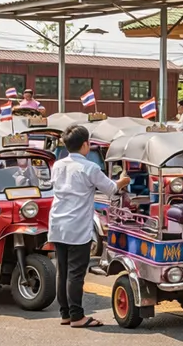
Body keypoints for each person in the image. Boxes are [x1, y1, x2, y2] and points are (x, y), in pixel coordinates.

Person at [49, 124, 130, 328]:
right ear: (86, 145)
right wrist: (122, 181)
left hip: (58, 223)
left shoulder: (58, 165)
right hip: (76, 226)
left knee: (63, 271)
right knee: (76, 273)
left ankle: (65, 314)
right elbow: (111, 189)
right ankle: (77, 317)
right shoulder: (89, 167)